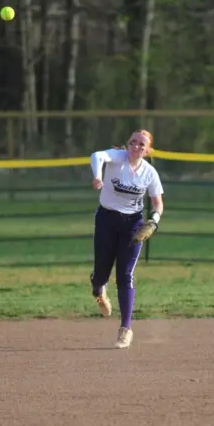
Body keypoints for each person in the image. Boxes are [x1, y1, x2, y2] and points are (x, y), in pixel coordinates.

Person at [89, 129, 165, 348]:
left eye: (142, 144)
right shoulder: (117, 158)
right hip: (107, 220)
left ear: (147, 150)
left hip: (132, 224)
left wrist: (154, 221)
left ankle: (125, 329)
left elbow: (158, 203)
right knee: (101, 273)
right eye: (133, 142)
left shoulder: (149, 172)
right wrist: (97, 175)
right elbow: (97, 155)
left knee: (125, 274)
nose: (136, 146)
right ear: (128, 143)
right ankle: (98, 289)